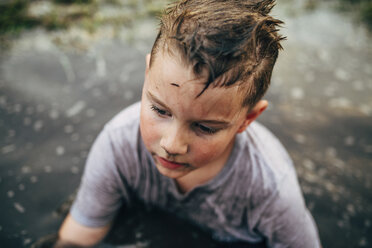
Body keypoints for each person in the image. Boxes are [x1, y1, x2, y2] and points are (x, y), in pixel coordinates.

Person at [56, 0, 321, 247]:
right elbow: (79, 235)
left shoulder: (270, 189)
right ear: (148, 74)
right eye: (160, 110)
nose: (172, 145)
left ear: (247, 119)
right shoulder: (119, 145)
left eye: (205, 127)